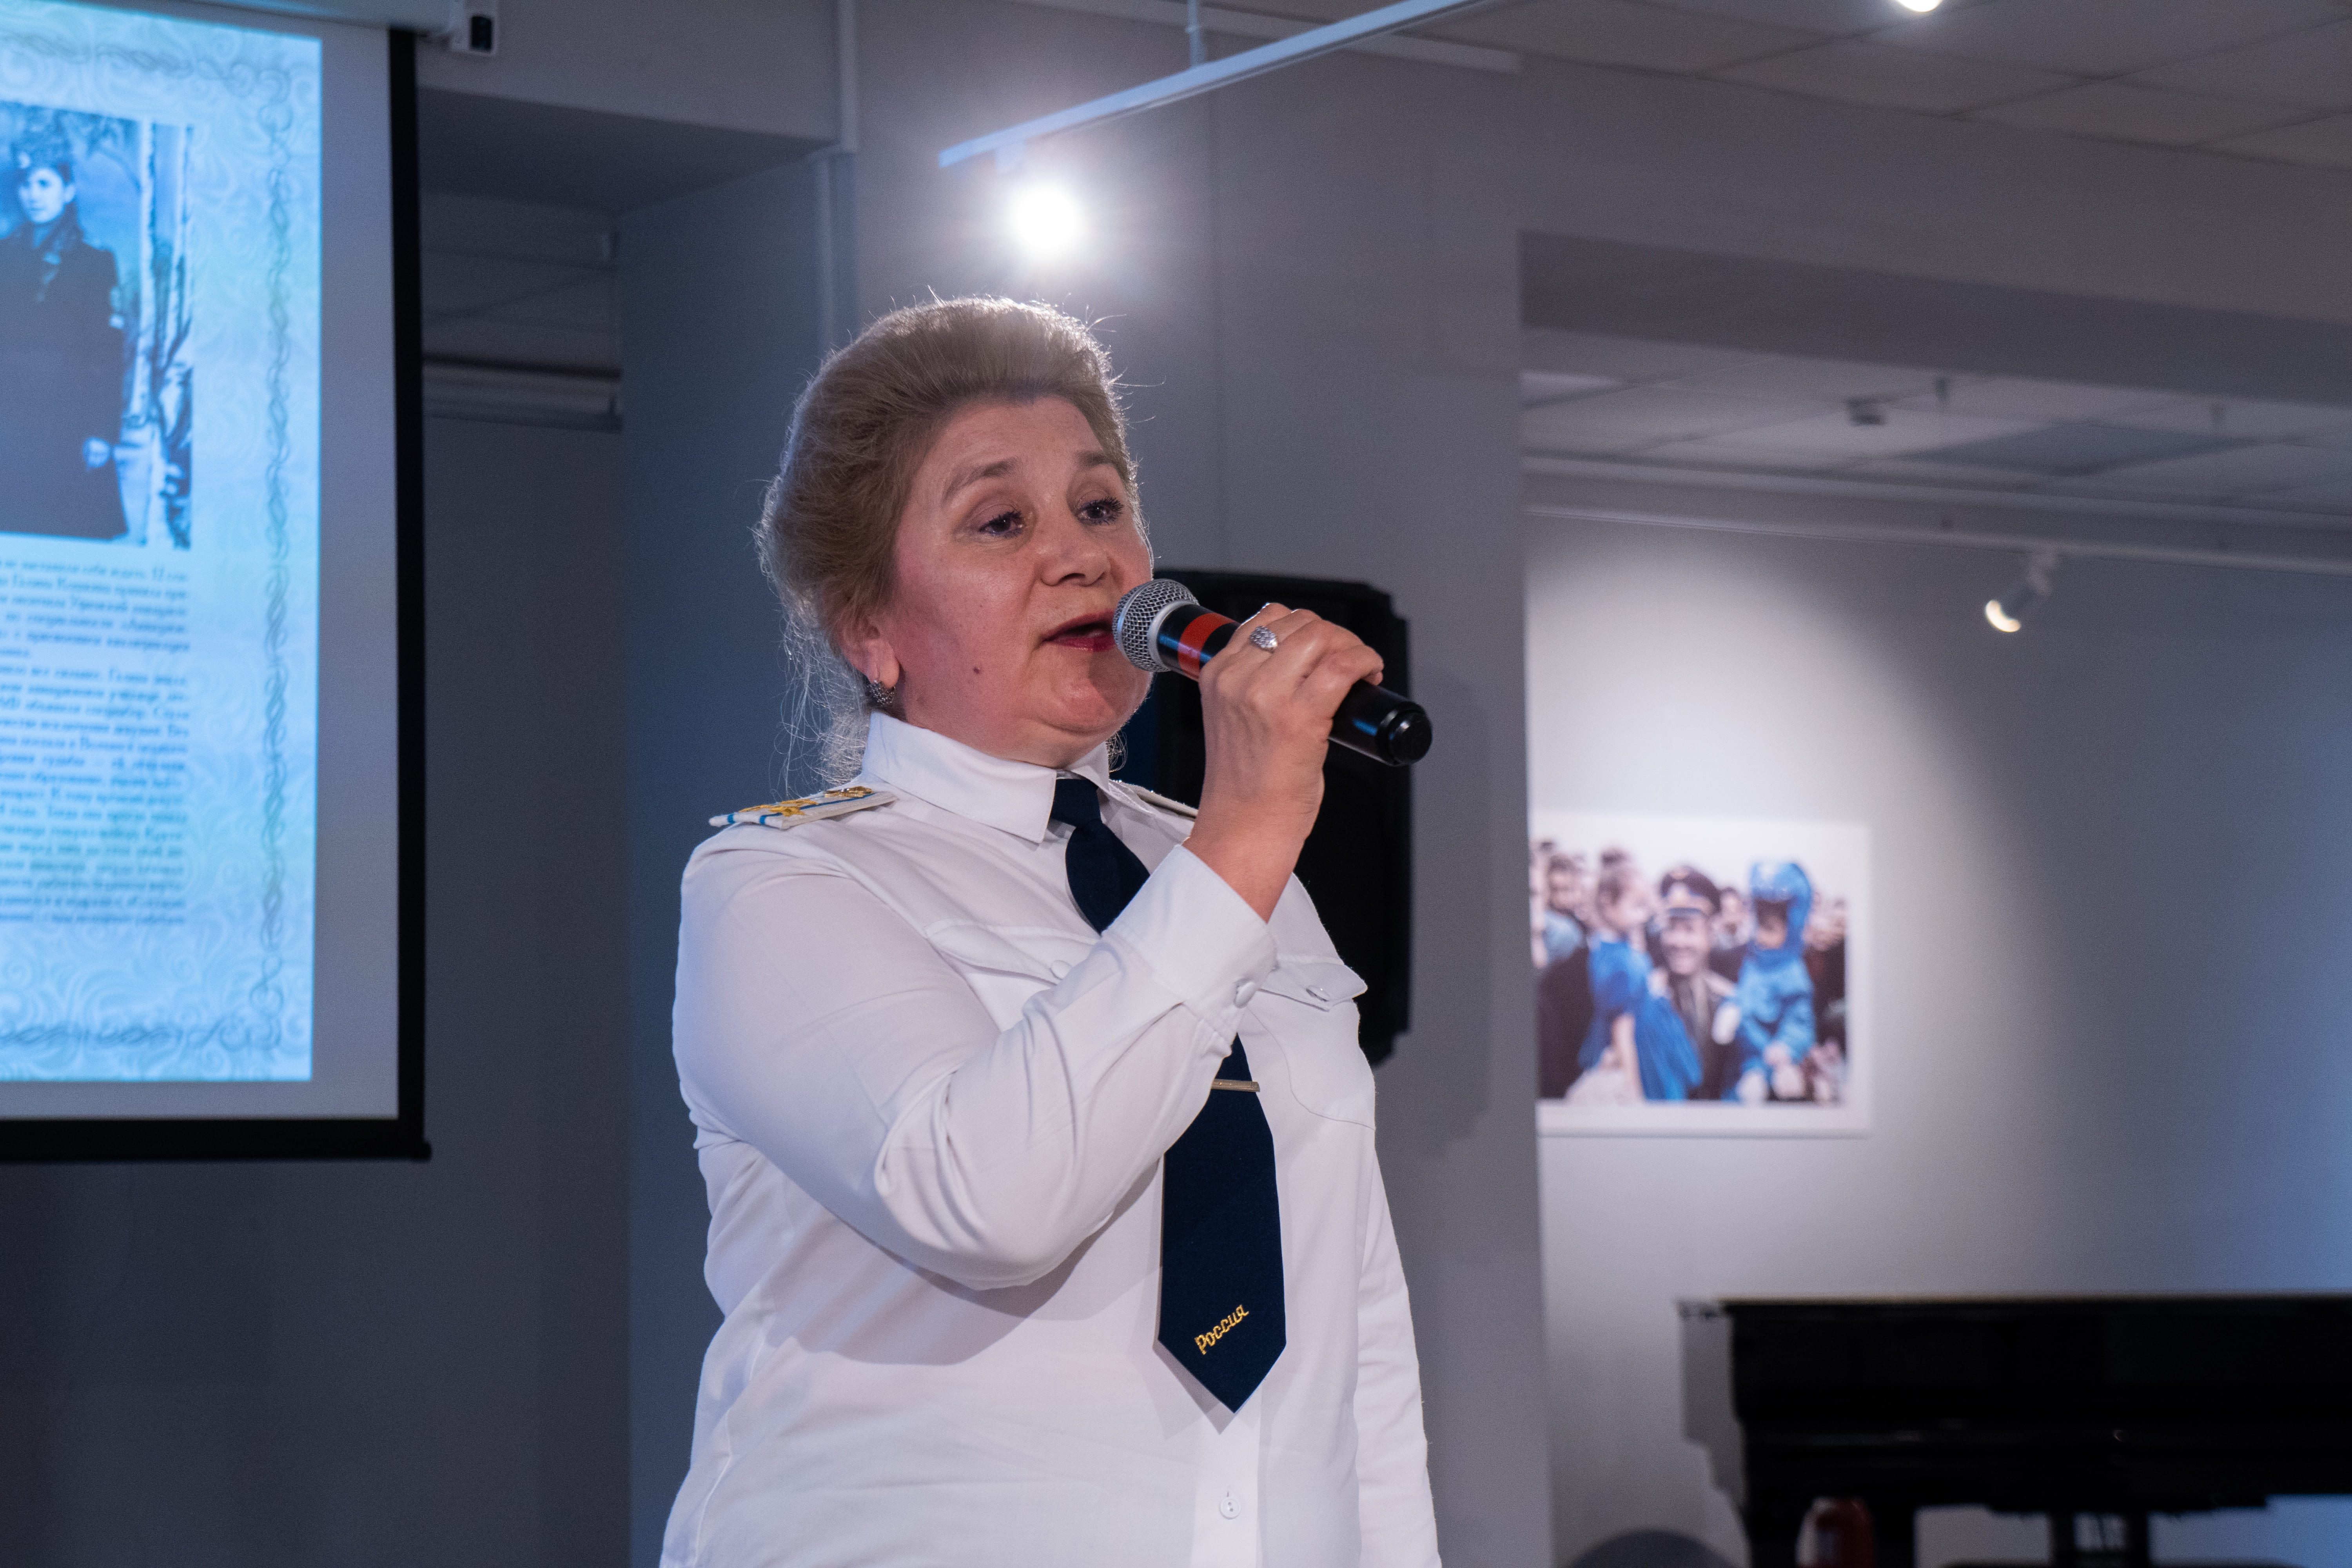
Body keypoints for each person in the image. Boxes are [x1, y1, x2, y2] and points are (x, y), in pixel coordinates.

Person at [663, 299, 1439, 1567]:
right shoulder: (784, 883)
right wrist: (1245, 833)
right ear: (868, 626)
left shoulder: (1230, 874)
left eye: (1100, 506)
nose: (1082, 557)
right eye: (1001, 522)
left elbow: (1356, 1333)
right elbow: (987, 1202)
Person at [0, 139, 125, 540]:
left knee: (62, 525)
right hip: (8, 410)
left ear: (68, 192)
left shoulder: (93, 258)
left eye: (44, 184)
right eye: (25, 184)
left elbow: (106, 351)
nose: (32, 195)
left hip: (66, 413)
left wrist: (101, 429)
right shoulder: (4, 252)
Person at [1731, 860, 1817, 1103]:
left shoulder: (1792, 972)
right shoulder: (1753, 961)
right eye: (1759, 926)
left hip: (1776, 1055)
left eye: (1770, 929)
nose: (1761, 936)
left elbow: (1800, 1019)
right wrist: (1731, 1006)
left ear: (1789, 931)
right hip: (1747, 1052)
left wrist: (1787, 1047)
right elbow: (1743, 994)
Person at [1653, 866, 1741, 1101]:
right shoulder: (1649, 995)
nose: (1678, 942)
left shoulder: (1727, 999)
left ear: (1710, 936)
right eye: (1671, 928)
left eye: (1690, 930)